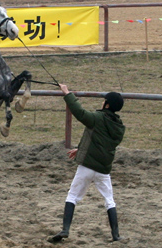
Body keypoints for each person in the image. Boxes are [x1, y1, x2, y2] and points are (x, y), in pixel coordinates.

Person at [48, 84, 126, 243]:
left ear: (108, 104)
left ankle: (65, 229)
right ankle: (116, 235)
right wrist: (81, 148)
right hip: (103, 170)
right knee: (109, 200)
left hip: (87, 167)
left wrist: (67, 93)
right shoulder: (119, 128)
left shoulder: (98, 118)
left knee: (72, 196)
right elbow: (101, 142)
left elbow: (79, 112)